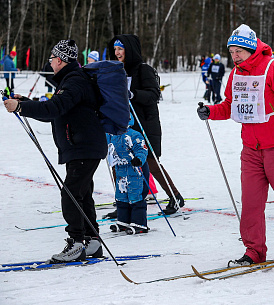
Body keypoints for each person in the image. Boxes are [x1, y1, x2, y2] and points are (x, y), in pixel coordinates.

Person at [197, 24, 274, 264]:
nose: (234, 56)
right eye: (231, 51)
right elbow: (230, 105)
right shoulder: (236, 74)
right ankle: (254, 250)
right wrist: (210, 111)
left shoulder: (271, 67)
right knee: (251, 202)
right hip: (251, 149)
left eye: (239, 51)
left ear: (251, 49)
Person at [3, 39, 106, 262]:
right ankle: (93, 242)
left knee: (70, 192)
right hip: (81, 146)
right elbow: (55, 112)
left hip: (83, 146)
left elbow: (53, 108)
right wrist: (26, 103)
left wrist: (21, 107)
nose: (50, 63)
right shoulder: (71, 80)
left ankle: (77, 243)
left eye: (51, 59)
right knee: (82, 193)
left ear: (60, 60)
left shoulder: (74, 81)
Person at [108, 34, 185, 215]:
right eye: (115, 50)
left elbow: (153, 95)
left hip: (145, 125)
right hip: (123, 124)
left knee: (149, 162)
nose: (117, 53)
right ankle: (123, 202)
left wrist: (133, 94)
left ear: (130, 50)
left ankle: (174, 196)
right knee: (118, 162)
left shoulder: (144, 70)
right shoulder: (117, 70)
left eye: (121, 49)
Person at [106, 115, 150, 234]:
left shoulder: (133, 134)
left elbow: (142, 148)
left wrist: (139, 158)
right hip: (120, 168)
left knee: (135, 195)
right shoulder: (111, 135)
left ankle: (139, 223)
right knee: (121, 194)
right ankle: (123, 220)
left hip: (135, 169)